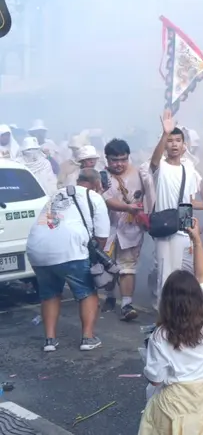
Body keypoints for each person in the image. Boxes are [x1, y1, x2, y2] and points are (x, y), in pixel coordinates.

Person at [139, 219, 203, 435]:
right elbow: (202, 276)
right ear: (197, 296)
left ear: (166, 302)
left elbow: (156, 379)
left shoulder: (161, 336)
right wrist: (196, 239)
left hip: (177, 405)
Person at [26, 169, 108, 352]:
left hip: (37, 249)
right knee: (87, 292)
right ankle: (88, 338)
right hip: (70, 249)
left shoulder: (57, 195)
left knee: (49, 294)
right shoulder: (94, 196)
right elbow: (102, 237)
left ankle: (50, 341)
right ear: (97, 184)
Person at [149, 110, 203, 306]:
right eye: (170, 141)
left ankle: (181, 314)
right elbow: (154, 161)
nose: (173, 144)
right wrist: (165, 133)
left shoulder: (188, 169)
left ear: (183, 145)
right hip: (164, 229)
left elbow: (189, 201)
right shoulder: (160, 167)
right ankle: (162, 319)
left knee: (184, 274)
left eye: (177, 140)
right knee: (165, 275)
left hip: (183, 228)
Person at [102, 138, 148, 320]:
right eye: (114, 160)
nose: (119, 164)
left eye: (123, 159)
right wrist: (128, 207)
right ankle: (110, 296)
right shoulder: (102, 177)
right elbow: (106, 200)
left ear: (128, 157)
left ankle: (127, 305)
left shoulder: (140, 175)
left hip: (131, 227)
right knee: (107, 266)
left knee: (128, 266)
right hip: (107, 228)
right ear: (107, 159)